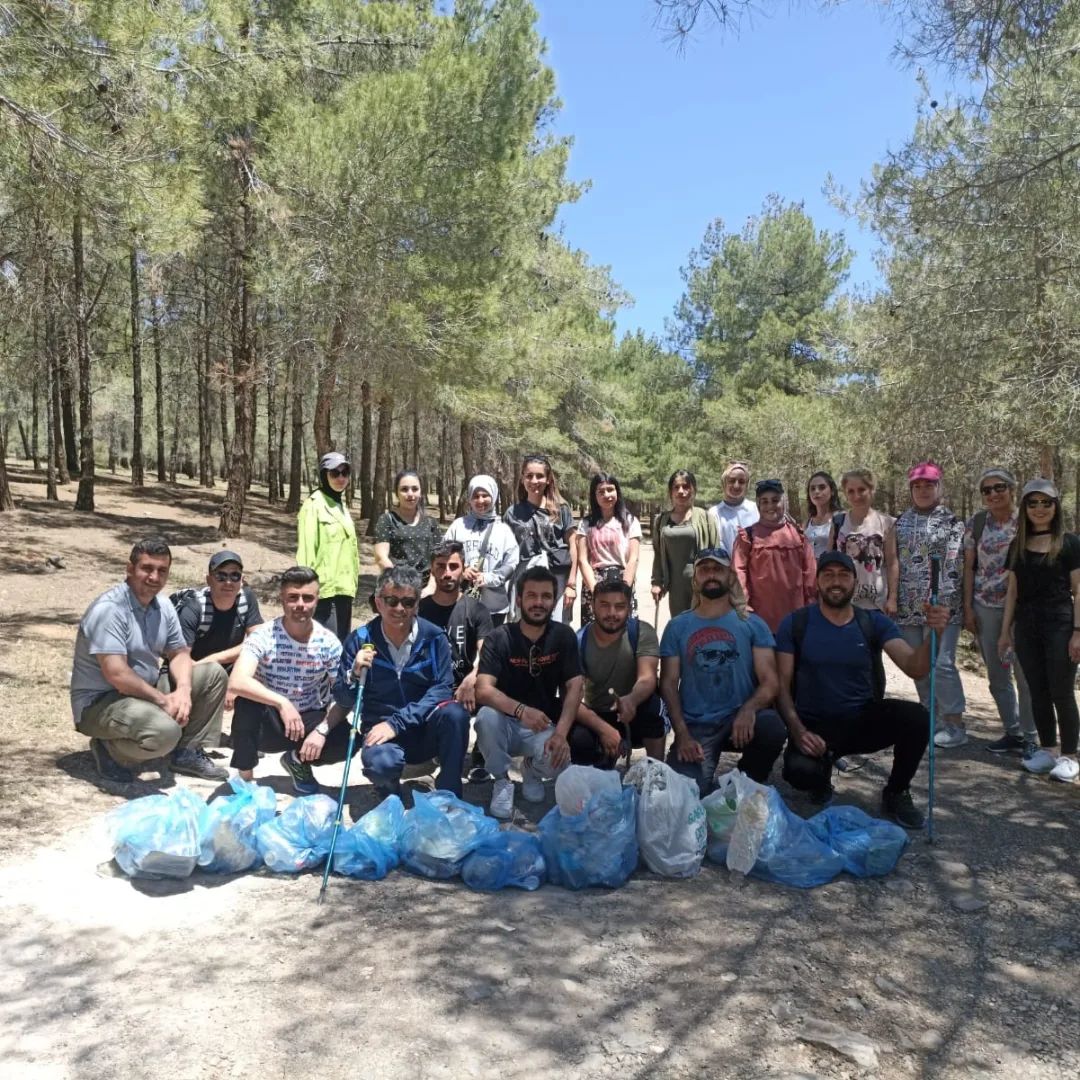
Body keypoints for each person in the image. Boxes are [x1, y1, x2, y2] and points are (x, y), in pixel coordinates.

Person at [777, 551, 953, 828]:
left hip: (861, 719)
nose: (836, 582)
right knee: (801, 774)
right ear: (817, 582)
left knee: (917, 717)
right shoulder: (796, 623)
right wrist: (798, 731)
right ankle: (821, 774)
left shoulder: (872, 622)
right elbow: (782, 686)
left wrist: (936, 633)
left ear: (855, 582)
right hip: (814, 724)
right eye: (828, 575)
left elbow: (915, 667)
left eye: (843, 575)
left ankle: (896, 791)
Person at [71, 536, 228, 784]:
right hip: (101, 702)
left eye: (162, 570)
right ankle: (110, 751)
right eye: (147, 568)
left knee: (212, 674)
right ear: (130, 568)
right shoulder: (110, 610)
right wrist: (163, 701)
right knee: (165, 732)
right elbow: (117, 675)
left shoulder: (163, 607)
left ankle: (186, 752)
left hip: (143, 692)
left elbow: (179, 654)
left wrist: (184, 691)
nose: (154, 577)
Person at [307, 567, 471, 798]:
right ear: (378, 602)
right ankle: (389, 788)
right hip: (381, 732)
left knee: (456, 714)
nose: (399, 609)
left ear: (417, 604)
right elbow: (343, 698)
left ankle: (449, 792)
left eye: (408, 602)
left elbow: (442, 689)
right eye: (391, 600)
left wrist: (397, 723)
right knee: (380, 766)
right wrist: (353, 674)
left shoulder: (434, 637)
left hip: (423, 728)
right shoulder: (360, 639)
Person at [659, 547, 786, 796]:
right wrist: (682, 734)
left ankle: (744, 783)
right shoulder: (677, 626)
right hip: (697, 725)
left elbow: (770, 681)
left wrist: (749, 710)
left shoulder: (752, 624)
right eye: (704, 570)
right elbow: (668, 683)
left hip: (740, 719)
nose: (711, 575)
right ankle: (708, 786)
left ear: (730, 576)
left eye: (718, 569)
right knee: (687, 794)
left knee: (771, 726)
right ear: (695, 579)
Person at [474, 567, 584, 819]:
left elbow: (575, 686)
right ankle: (502, 780)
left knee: (561, 758)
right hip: (503, 722)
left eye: (546, 596)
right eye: (531, 595)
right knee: (485, 718)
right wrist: (521, 710)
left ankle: (532, 771)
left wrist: (561, 734)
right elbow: (483, 689)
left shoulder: (563, 636)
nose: (538, 602)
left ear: (554, 600)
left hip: (540, 726)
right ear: (519, 599)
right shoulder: (499, 637)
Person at [227, 566, 343, 792]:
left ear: (317, 600)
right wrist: (282, 703)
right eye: (293, 597)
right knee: (246, 703)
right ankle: (245, 781)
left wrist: (321, 732)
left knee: (345, 738)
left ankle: (297, 760)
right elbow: (238, 681)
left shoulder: (328, 642)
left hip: (307, 717)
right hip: (268, 719)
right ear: (282, 599)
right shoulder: (263, 635)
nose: (300, 604)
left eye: (307, 598)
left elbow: (341, 694)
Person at [998, 479, 1080, 783]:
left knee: (1061, 690)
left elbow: (1079, 590)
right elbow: (1012, 592)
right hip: (1027, 626)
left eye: (1046, 502)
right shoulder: (1018, 545)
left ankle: (1070, 756)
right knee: (1038, 691)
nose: (1039, 509)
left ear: (1055, 506)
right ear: (1025, 508)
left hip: (1061, 624)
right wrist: (1005, 632)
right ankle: (1047, 751)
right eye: (1033, 503)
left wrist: (1078, 632)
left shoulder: (1070, 543)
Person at [893, 462, 968, 748]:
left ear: (939, 487)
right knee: (919, 665)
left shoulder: (953, 522)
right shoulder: (900, 522)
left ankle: (955, 723)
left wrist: (945, 602)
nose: (923, 491)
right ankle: (931, 717)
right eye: (917, 486)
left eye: (928, 485)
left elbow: (955, 563)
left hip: (941, 607)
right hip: (908, 606)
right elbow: (894, 562)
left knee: (943, 664)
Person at [962, 468, 1035, 755]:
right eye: (987, 490)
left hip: (1023, 609)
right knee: (997, 674)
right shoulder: (978, 523)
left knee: (1025, 674)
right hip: (985, 606)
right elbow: (969, 567)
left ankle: (1031, 735)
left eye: (999, 487)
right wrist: (967, 607)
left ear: (1012, 489)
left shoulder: (1027, 521)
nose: (993, 494)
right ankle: (1012, 731)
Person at [418, 541, 495, 781]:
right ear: (432, 569)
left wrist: (472, 679)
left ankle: (481, 757)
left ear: (463, 569)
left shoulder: (476, 609)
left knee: (494, 689)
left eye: (453, 566)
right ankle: (438, 749)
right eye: (440, 566)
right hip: (432, 685)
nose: (447, 573)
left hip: (467, 682)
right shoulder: (420, 610)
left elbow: (487, 653)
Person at [570, 578, 665, 767]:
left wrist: (631, 699)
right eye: (604, 605)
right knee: (577, 737)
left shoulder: (641, 632)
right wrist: (604, 729)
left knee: (654, 709)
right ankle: (599, 769)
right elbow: (571, 697)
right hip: (599, 713)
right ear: (592, 606)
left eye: (619, 606)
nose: (612, 613)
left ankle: (656, 774)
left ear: (629, 608)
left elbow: (647, 678)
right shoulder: (579, 640)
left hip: (635, 709)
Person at [732, 479, 817, 633]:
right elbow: (739, 573)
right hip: (759, 620)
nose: (770, 506)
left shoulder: (798, 535)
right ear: (758, 505)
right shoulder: (748, 536)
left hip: (795, 619)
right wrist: (743, 607)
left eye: (775, 500)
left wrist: (810, 607)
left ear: (783, 502)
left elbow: (810, 574)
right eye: (764, 502)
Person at [503, 454, 578, 623]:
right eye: (529, 476)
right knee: (525, 629)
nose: (534, 481)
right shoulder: (512, 514)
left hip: (558, 580)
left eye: (540, 476)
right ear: (522, 479)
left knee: (557, 631)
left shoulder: (561, 510)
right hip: (525, 581)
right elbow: (506, 552)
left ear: (548, 479)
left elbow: (574, 545)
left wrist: (571, 585)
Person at [296, 451, 359, 640]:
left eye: (345, 472)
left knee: (341, 648)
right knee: (324, 651)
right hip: (324, 594)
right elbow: (306, 552)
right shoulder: (313, 505)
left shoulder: (342, 506)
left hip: (344, 591)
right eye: (334, 473)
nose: (341, 478)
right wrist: (306, 592)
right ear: (324, 475)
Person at [170, 550, 263, 677]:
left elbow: (260, 643)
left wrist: (215, 660)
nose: (228, 582)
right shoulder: (194, 607)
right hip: (192, 670)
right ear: (209, 580)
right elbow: (180, 659)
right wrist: (208, 667)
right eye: (221, 576)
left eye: (235, 576)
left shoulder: (246, 599)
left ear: (242, 580)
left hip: (225, 668)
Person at [444, 474, 520, 626]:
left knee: (490, 648)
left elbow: (511, 563)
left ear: (493, 496)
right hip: (460, 602)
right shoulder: (458, 526)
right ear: (470, 499)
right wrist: (461, 571)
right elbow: (444, 556)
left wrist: (488, 578)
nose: (480, 501)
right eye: (476, 496)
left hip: (494, 607)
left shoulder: (503, 530)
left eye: (485, 496)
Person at [576, 472, 642, 626]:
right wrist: (595, 591)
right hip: (594, 581)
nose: (607, 495)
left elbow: (633, 558)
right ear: (594, 495)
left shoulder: (630, 521)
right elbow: (582, 560)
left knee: (624, 631)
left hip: (622, 580)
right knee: (594, 633)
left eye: (610, 490)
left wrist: (625, 588)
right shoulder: (586, 524)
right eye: (601, 491)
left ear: (617, 491)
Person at [651, 468, 719, 618]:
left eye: (686, 486)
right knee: (680, 627)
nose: (681, 491)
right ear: (670, 492)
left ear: (693, 490)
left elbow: (716, 553)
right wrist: (656, 582)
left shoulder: (706, 518)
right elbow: (658, 553)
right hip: (676, 587)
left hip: (702, 585)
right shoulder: (661, 521)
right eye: (676, 487)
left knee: (702, 628)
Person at [834, 468, 897, 612]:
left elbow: (892, 562)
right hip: (845, 603)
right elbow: (830, 561)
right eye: (851, 491)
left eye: (862, 489)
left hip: (878, 605)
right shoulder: (838, 522)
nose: (857, 496)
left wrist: (892, 599)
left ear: (872, 490)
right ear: (845, 494)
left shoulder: (886, 522)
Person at [373, 469, 442, 589]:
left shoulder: (431, 523)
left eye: (415, 489)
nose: (410, 494)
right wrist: (400, 584)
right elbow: (381, 558)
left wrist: (431, 587)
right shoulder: (387, 520)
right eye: (404, 489)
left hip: (427, 590)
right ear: (396, 493)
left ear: (421, 492)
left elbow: (439, 558)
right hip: (397, 587)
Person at [709, 461, 759, 555]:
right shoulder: (714, 513)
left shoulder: (756, 509)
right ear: (724, 483)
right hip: (726, 568)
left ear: (746, 485)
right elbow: (716, 545)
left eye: (741, 482)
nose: (736, 486)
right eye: (732, 481)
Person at [804, 471, 843, 560]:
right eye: (812, 488)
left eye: (822, 487)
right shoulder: (808, 522)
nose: (816, 491)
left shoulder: (841, 518)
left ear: (832, 491)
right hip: (811, 572)